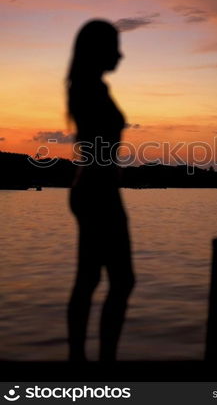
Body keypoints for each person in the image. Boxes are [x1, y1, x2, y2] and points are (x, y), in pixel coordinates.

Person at [66, 19, 135, 362]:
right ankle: (98, 362)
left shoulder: (89, 87)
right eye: (114, 47)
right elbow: (96, 148)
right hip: (98, 190)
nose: (120, 55)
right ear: (99, 50)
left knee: (94, 278)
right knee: (119, 280)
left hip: (95, 188)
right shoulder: (89, 89)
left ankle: (85, 360)